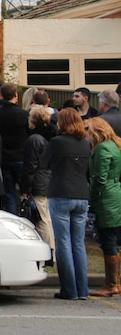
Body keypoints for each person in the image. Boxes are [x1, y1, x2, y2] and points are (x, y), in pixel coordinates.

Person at [39, 108, 90, 300]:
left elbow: (43, 163)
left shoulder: (57, 142)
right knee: (78, 243)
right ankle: (82, 289)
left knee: (64, 243)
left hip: (60, 192)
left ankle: (69, 289)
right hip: (81, 194)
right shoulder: (85, 143)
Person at [84, 117, 121, 297]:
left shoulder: (102, 148)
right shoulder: (114, 145)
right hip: (115, 194)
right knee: (114, 238)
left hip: (106, 197)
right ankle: (116, 282)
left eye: (87, 130)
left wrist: (91, 198)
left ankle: (111, 284)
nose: (85, 134)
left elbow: (99, 178)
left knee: (109, 241)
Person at [21, 105, 57, 265]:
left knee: (42, 220)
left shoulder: (34, 139)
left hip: (39, 183)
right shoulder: (50, 136)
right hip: (49, 180)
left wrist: (26, 188)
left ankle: (49, 253)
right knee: (46, 218)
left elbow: (31, 166)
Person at [0, 83, 30, 214]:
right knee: (26, 192)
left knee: (9, 194)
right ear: (16, 95)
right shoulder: (23, 114)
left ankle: (13, 219)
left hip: (4, 157)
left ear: (1, 95)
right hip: (20, 157)